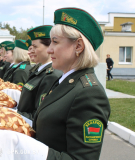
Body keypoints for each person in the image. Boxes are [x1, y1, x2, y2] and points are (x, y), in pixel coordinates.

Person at [32, 8, 111, 160]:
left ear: (79, 46)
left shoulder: (89, 94)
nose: (49, 50)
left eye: (55, 42)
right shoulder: (65, 82)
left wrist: (29, 149)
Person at [17, 25, 62, 120]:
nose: (29, 52)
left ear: (49, 47)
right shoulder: (38, 68)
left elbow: (39, 115)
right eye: (30, 47)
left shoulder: (52, 75)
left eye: (34, 47)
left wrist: (15, 115)